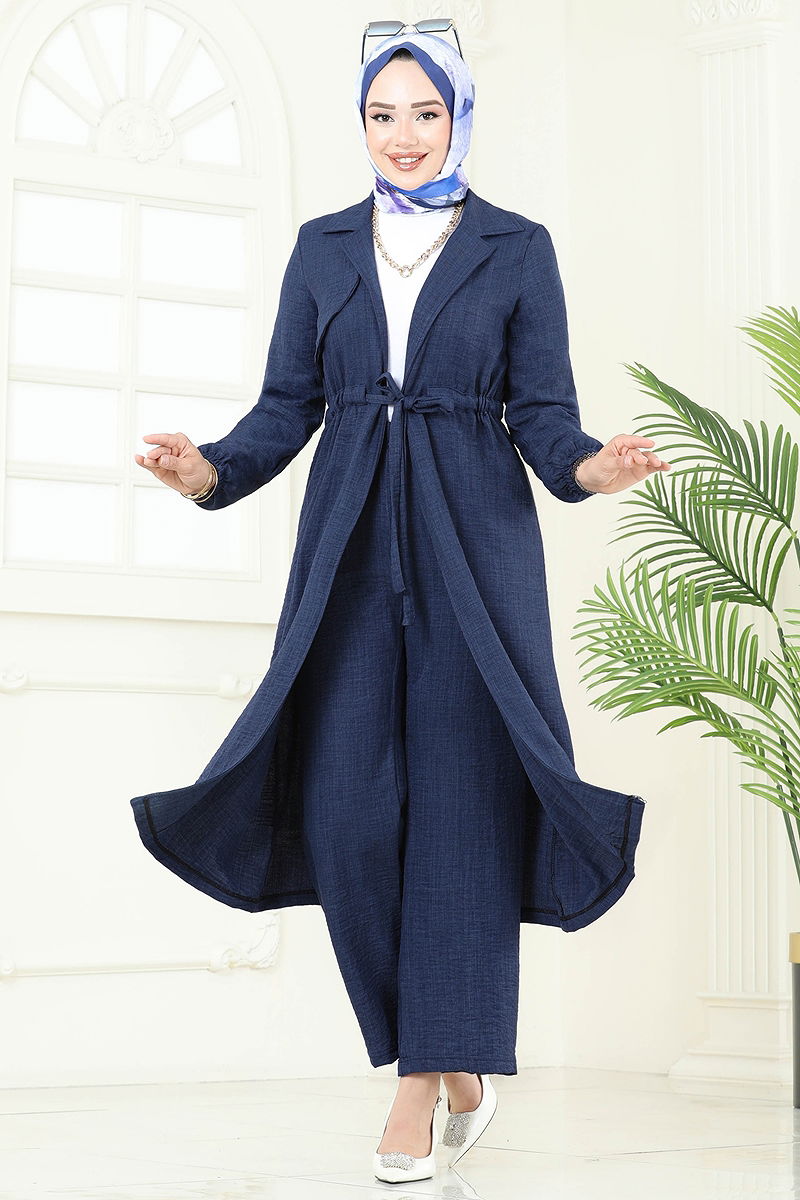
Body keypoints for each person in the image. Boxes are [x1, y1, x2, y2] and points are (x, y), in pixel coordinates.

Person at [131, 23, 668, 1185]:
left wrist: (591, 468)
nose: (404, 135)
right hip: (347, 544)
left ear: (459, 115)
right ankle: (457, 1066)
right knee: (346, 815)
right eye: (383, 114)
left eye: (425, 112)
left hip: (475, 542)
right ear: (362, 123)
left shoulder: (517, 248)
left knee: (464, 812)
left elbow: (542, 414)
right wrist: (208, 469)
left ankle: (419, 1084)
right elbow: (286, 408)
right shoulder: (321, 246)